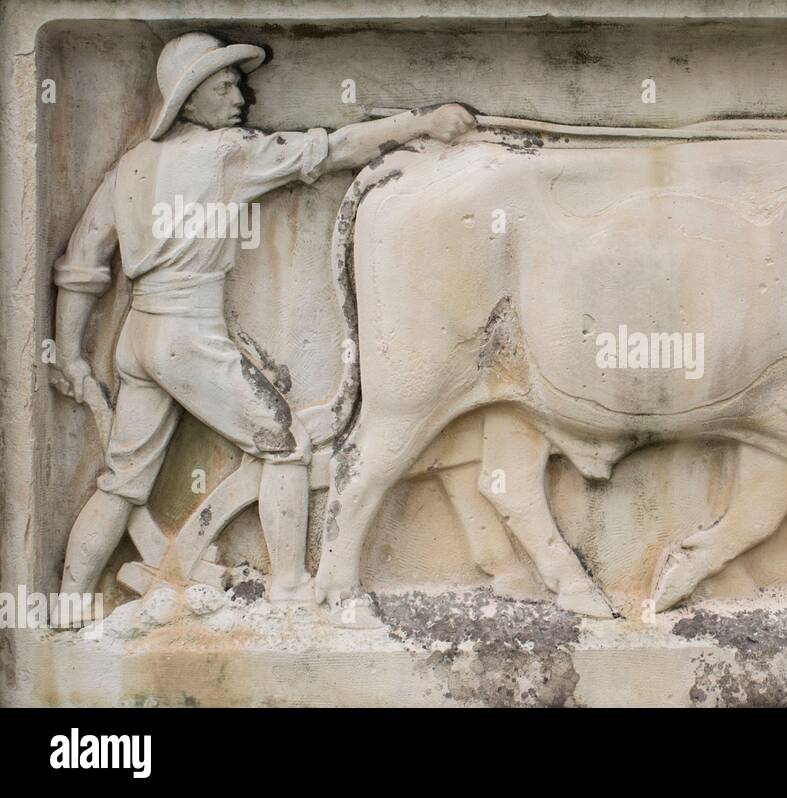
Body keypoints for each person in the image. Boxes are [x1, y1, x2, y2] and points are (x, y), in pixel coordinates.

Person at [49, 32, 475, 620]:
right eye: (224, 85)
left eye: (238, 84)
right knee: (286, 444)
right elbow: (329, 149)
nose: (240, 95)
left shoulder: (130, 167)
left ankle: (69, 605)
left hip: (137, 340)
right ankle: (292, 590)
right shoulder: (224, 153)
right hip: (187, 337)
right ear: (188, 99)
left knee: (121, 481)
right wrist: (422, 122)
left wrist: (70, 351)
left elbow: (81, 264)